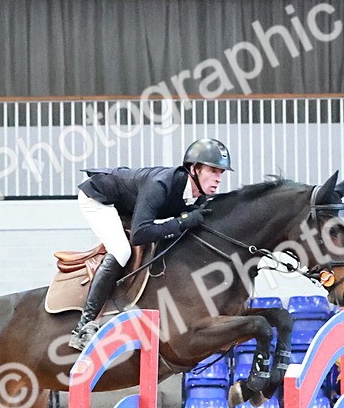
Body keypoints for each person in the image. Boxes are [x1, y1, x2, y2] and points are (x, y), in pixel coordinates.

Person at [68, 138, 233, 350]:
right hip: (100, 197)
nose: (218, 178)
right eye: (213, 171)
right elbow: (140, 234)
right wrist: (182, 222)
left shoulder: (198, 197)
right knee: (121, 250)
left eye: (221, 173)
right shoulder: (161, 184)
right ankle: (84, 327)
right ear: (194, 169)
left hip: (126, 204)